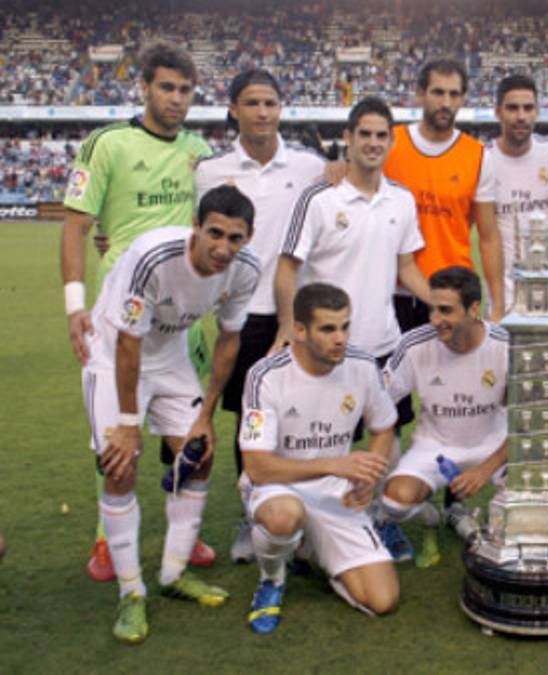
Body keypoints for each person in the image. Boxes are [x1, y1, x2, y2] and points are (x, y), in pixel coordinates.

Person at [60, 43, 215, 581]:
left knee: (185, 435)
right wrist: (74, 305)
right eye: (166, 87)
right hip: (117, 311)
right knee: (113, 435)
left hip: (178, 317)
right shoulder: (108, 144)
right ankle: (106, 538)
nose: (176, 98)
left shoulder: (200, 151)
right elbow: (76, 225)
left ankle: (182, 533)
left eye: (185, 90)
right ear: (145, 87)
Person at [80, 185, 260, 643]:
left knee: (199, 455)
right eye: (214, 233)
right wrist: (126, 423)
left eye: (235, 238)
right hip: (114, 355)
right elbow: (128, 343)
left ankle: (173, 572)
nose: (223, 248)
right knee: (120, 466)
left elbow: (228, 339)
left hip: (172, 359)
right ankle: (131, 591)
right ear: (196, 227)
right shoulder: (154, 256)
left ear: (249, 237)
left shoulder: (245, 272)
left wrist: (206, 416)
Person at [275, 96, 430, 560]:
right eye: (364, 133)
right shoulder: (319, 198)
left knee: (389, 434)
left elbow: (408, 267)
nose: (373, 143)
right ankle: (309, 526)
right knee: (319, 438)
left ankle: (384, 521)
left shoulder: (401, 200)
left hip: (381, 343)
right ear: (348, 137)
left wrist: (442, 302)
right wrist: (288, 326)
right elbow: (288, 266)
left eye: (382, 135)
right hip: (323, 346)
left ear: (391, 141)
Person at [194, 68, 327, 563]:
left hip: (300, 314)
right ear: (233, 110)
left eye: (270, 102)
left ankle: (308, 514)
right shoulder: (209, 171)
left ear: (281, 107)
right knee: (251, 420)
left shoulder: (312, 166)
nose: (262, 112)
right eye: (251, 103)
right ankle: (253, 516)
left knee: (305, 414)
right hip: (243, 316)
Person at [239, 283, 399, 633]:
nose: (340, 338)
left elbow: (384, 427)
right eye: (328, 329)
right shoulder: (265, 375)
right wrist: (333, 464)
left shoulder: (362, 366)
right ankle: (272, 579)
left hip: (334, 492)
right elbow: (257, 467)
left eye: (345, 326)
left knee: (382, 600)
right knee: (285, 517)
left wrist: (367, 478)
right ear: (299, 329)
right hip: (278, 487)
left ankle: (312, 549)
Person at [378, 267, 509, 568]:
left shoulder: (504, 345)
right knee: (394, 502)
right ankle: (433, 517)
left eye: (446, 310)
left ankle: (471, 516)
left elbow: (527, 424)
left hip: (493, 446)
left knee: (533, 501)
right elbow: (379, 403)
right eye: (432, 309)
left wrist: (485, 469)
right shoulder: (414, 343)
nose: (435, 319)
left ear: (474, 309)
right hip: (434, 449)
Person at [383, 59, 503, 332]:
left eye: (454, 94)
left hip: (453, 294)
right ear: (420, 94)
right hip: (393, 292)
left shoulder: (477, 155)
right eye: (438, 92)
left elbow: (488, 235)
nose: (446, 102)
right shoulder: (390, 142)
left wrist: (498, 304)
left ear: (463, 99)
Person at [485, 74, 548, 313]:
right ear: (497, 112)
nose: (521, 116)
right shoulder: (483, 161)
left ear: (537, 112)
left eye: (528, 108)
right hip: (507, 302)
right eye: (512, 108)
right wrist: (497, 305)